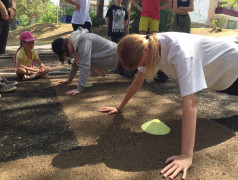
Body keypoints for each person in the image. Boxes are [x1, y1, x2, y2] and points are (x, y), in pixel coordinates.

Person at [99, 32, 238, 179]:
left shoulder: (181, 55)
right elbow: (138, 81)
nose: (142, 67)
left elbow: (190, 104)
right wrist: (119, 107)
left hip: (231, 68)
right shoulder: (149, 45)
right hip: (219, 75)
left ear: (146, 51)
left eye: (141, 63)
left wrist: (186, 156)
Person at [52, 27, 137, 95]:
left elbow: (84, 65)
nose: (68, 55)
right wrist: (69, 80)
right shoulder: (76, 44)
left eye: (65, 54)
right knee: (132, 75)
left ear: (64, 48)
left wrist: (79, 88)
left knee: (137, 72)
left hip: (119, 57)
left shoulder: (83, 41)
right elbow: (75, 64)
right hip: (114, 62)